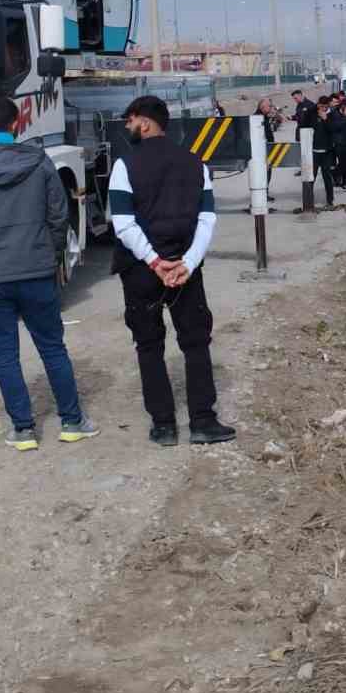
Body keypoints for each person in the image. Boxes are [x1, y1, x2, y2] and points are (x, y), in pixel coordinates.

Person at [0, 97, 96, 452]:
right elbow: (58, 215)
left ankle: (24, 430)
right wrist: (54, 256)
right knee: (52, 347)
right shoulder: (39, 162)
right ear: (17, 124)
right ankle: (73, 422)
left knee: (4, 354)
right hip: (36, 270)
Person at [109, 95, 235, 447]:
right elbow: (207, 219)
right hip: (185, 270)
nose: (127, 127)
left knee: (149, 345)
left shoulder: (124, 165)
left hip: (141, 271)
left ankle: (163, 425)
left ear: (145, 122)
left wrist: (153, 261)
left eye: (130, 120)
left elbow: (123, 222)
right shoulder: (196, 163)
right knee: (195, 342)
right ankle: (203, 421)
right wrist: (188, 263)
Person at [255, 97, 283, 200]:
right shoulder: (257, 118)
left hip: (268, 148)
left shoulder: (264, 116)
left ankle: (264, 193)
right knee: (264, 173)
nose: (271, 108)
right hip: (262, 150)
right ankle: (262, 195)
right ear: (262, 107)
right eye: (269, 106)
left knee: (268, 173)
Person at [312, 95, 336, 208]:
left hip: (326, 152)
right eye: (321, 106)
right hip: (314, 151)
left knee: (327, 177)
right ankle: (308, 199)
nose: (323, 109)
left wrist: (325, 119)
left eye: (325, 107)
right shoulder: (313, 115)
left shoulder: (331, 115)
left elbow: (333, 129)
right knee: (311, 177)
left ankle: (330, 200)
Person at [329, 97, 346, 189]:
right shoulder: (335, 114)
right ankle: (339, 177)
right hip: (339, 142)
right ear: (342, 107)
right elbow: (337, 127)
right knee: (342, 163)